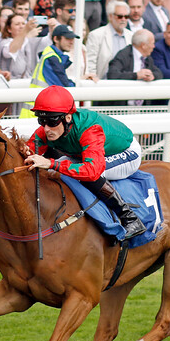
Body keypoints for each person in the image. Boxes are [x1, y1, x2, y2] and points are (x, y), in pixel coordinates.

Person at [23, 86, 147, 239]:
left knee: (81, 173)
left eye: (51, 121)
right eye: (42, 120)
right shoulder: (48, 128)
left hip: (126, 154)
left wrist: (51, 163)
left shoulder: (90, 130)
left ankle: (130, 218)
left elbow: (92, 170)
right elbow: (27, 153)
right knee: (54, 170)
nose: (46, 128)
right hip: (88, 153)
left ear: (67, 117)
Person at [20, 24, 79, 117]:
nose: (71, 42)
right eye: (68, 38)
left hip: (37, 113)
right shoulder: (51, 58)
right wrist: (76, 84)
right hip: (36, 115)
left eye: (72, 38)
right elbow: (64, 86)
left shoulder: (51, 55)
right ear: (56, 39)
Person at [86, 0, 133, 79]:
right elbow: (90, 62)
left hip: (126, 82)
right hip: (102, 83)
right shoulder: (96, 35)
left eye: (126, 16)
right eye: (120, 16)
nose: (123, 19)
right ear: (110, 16)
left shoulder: (131, 36)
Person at [0, 14, 43, 79]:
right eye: (17, 24)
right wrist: (25, 32)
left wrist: (52, 28)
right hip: (9, 83)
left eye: (23, 24)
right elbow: (10, 52)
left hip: (26, 82)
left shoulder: (29, 40)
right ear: (9, 29)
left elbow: (47, 42)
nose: (21, 26)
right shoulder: (4, 43)